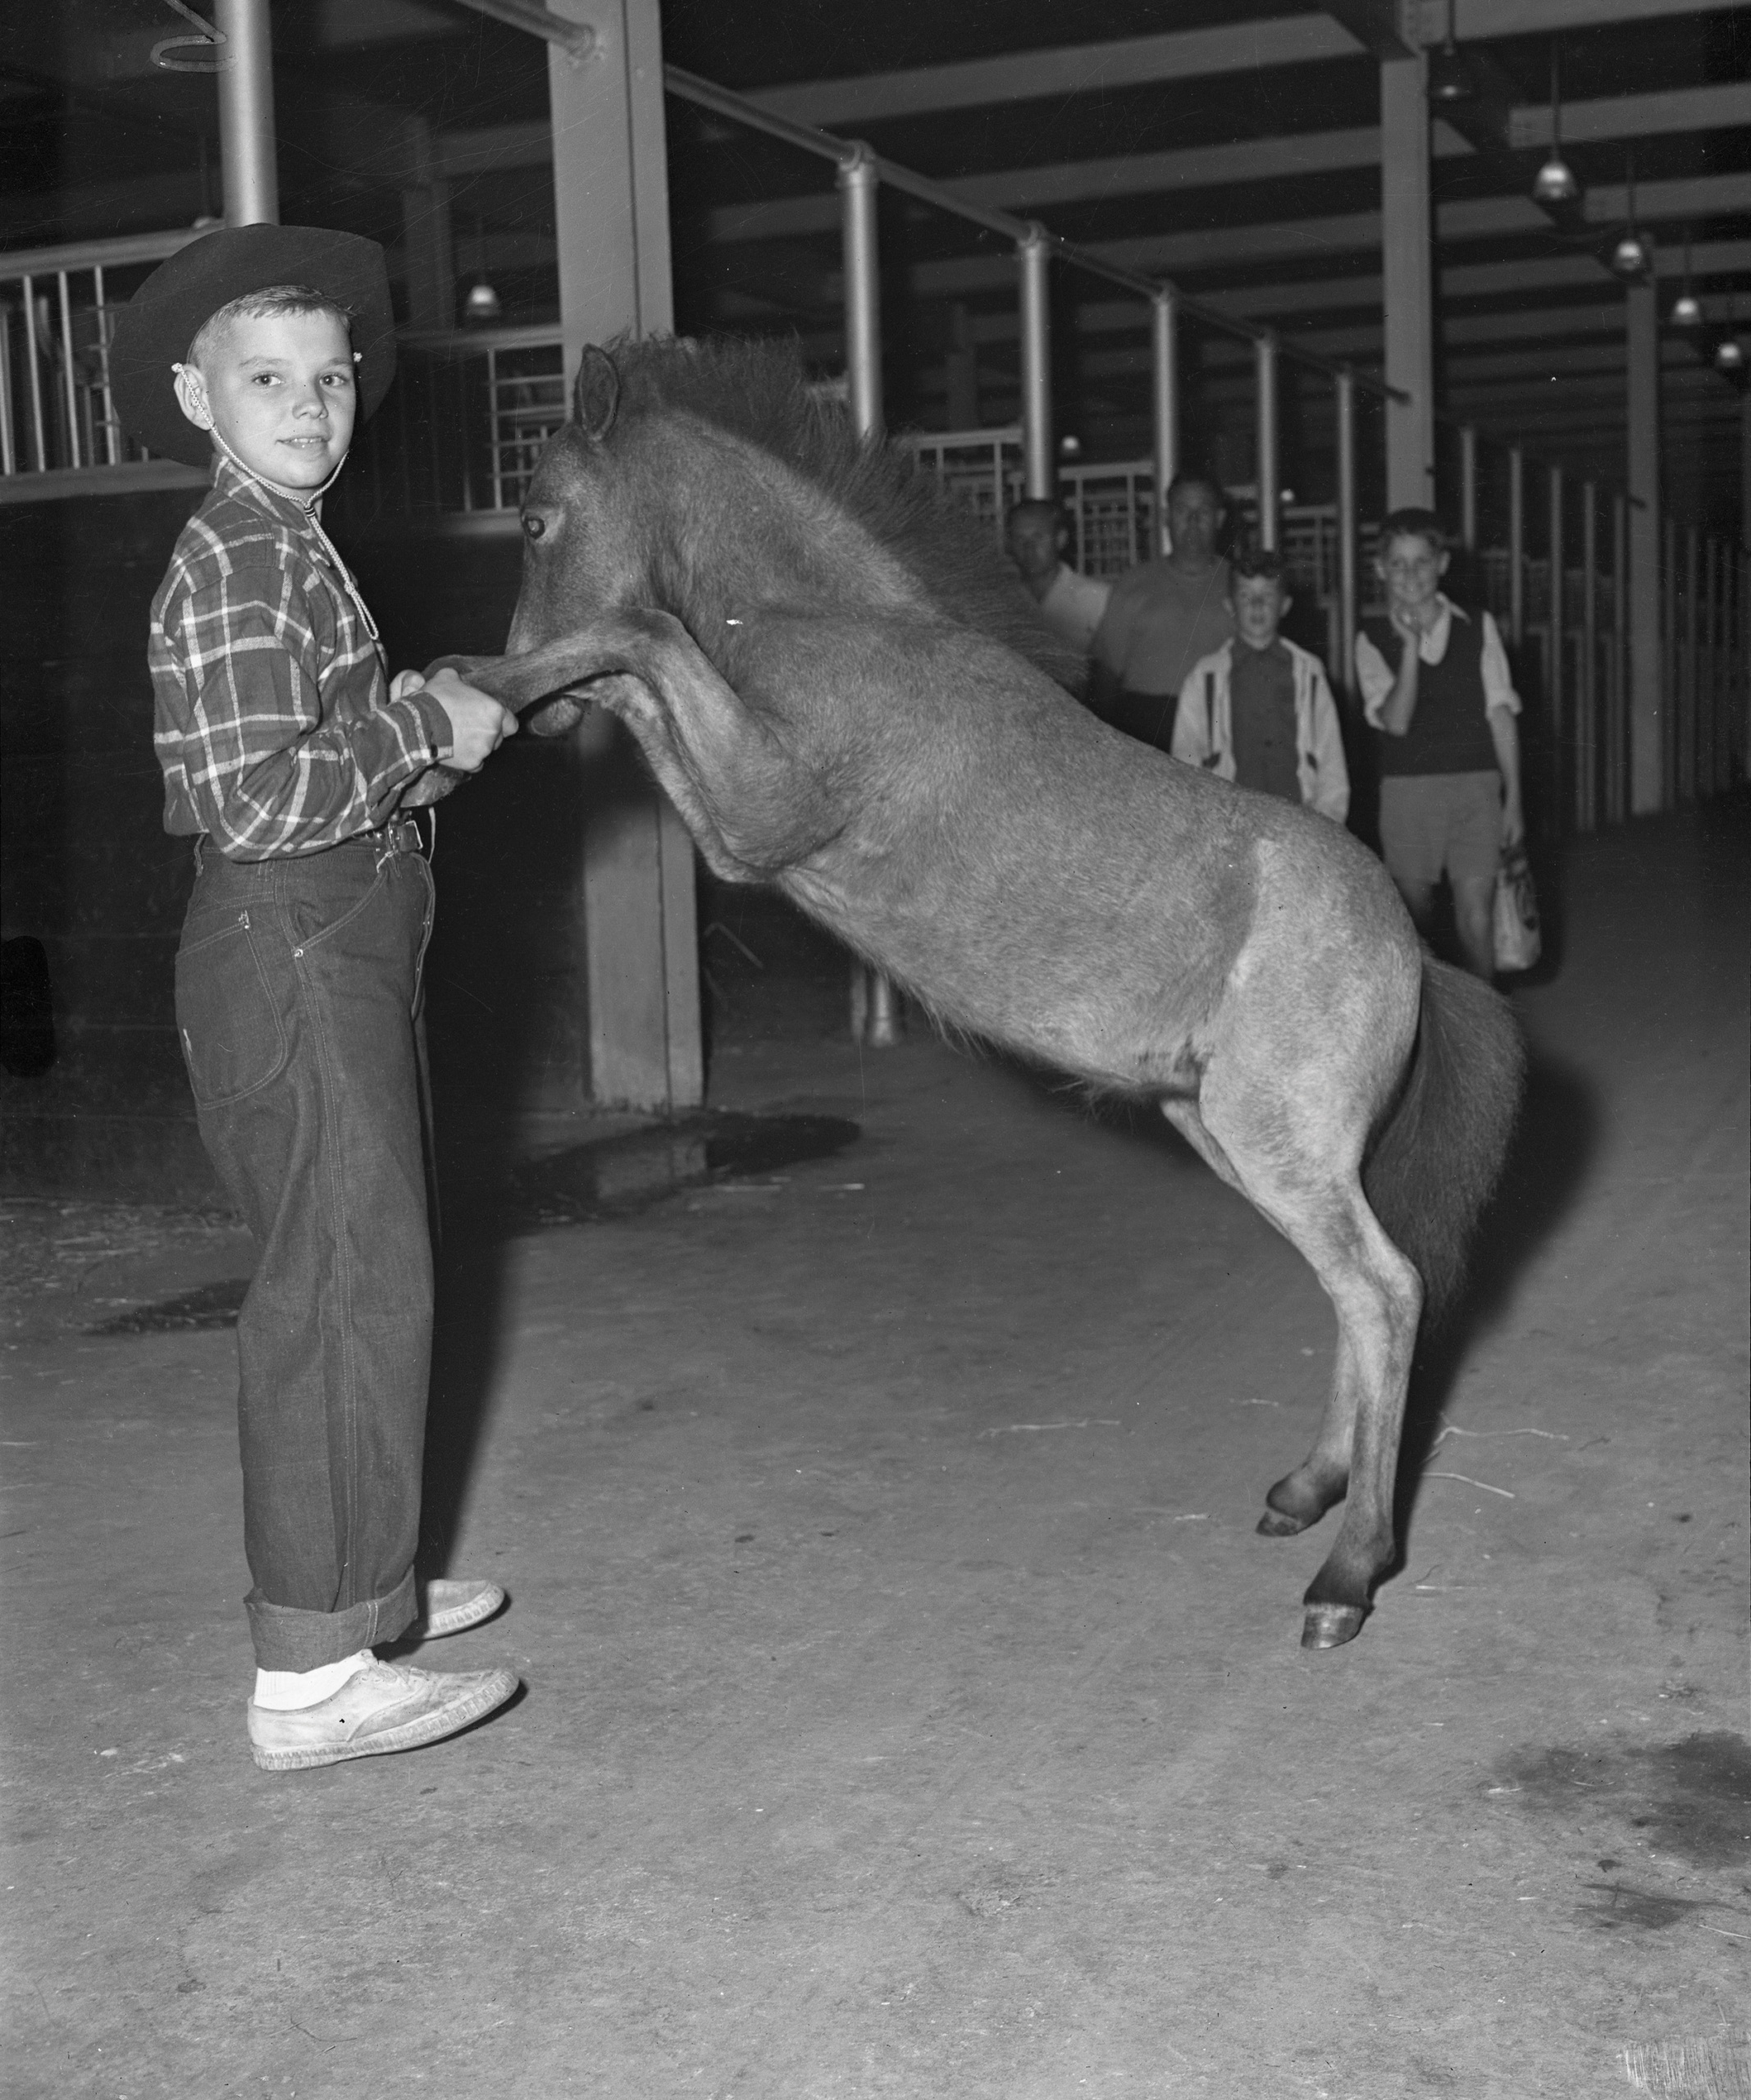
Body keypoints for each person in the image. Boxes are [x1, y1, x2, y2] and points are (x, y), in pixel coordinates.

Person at [110, 224, 523, 1771]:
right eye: (267, 378)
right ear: (195, 397)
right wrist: (419, 721)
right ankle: (311, 1673)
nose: (308, 405)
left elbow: (312, 763)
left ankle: (369, 1587)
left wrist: (425, 727)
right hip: (291, 933)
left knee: (373, 1265)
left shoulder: (293, 544)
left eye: (331, 377)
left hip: (338, 928)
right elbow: (256, 799)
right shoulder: (236, 556)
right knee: (338, 1285)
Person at [1355, 508, 1525, 980]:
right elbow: (1397, 721)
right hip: (1409, 793)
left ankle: (1485, 1043)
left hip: (1477, 786)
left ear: (1443, 564)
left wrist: (1515, 800)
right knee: (1416, 926)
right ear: (1380, 569)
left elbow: (1501, 713)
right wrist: (1409, 646)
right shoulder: (1369, 639)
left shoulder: (1479, 625)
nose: (1411, 574)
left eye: (1423, 562)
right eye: (1399, 563)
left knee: (1478, 920)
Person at [1171, 546, 1349, 823]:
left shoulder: (1309, 672)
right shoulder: (1204, 677)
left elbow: (1331, 761)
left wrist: (1328, 825)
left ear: (1286, 605)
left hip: (1300, 820)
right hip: (1231, 821)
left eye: (1267, 596)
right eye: (1245, 596)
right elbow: (1186, 758)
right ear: (1230, 606)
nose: (1256, 605)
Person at [1088, 472, 1233, 752]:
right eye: (1181, 510)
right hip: (1145, 729)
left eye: (1202, 511)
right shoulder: (1134, 583)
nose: (1192, 522)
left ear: (1219, 518)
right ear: (1166, 517)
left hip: (1219, 727)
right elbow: (1106, 673)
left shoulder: (1239, 584)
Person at [1004, 498, 1111, 658]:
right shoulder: (1002, 600)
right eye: (1020, 539)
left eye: (1038, 537)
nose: (1029, 548)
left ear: (1060, 539)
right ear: (1009, 544)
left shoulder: (1097, 599)